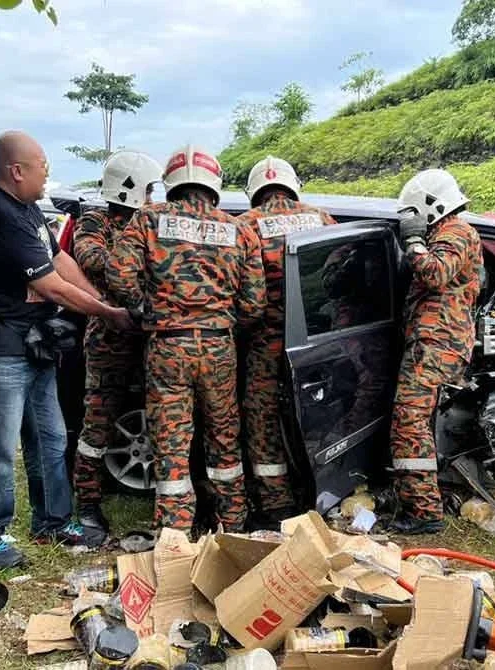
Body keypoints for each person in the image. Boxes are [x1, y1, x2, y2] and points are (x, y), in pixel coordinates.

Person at [0, 130, 135, 568]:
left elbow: (60, 261)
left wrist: (103, 300)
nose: (47, 173)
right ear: (16, 171)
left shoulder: (26, 208)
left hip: (30, 343)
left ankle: (52, 521)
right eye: (41, 165)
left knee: (50, 437)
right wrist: (106, 314)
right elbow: (48, 284)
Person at [109, 144, 266, 534]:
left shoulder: (148, 219)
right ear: (215, 184)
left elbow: (118, 275)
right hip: (219, 348)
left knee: (172, 446)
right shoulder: (240, 230)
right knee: (224, 440)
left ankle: (175, 537)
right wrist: (223, 324)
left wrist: (147, 309)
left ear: (170, 183)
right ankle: (233, 526)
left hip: (167, 346)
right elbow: (255, 303)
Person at [237, 156, 337, 524]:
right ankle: (325, 492)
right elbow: (340, 277)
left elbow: (240, 290)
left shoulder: (246, 225)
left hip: (265, 341)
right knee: (321, 413)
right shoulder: (322, 219)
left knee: (262, 420)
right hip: (317, 341)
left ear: (255, 191)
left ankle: (275, 502)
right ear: (293, 185)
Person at [71, 150, 162, 536]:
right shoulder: (96, 219)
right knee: (98, 423)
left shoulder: (152, 221)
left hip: (151, 336)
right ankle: (88, 504)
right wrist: (136, 260)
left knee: (160, 417)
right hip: (110, 336)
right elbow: (89, 256)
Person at [388, 169, 482, 535]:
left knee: (409, 424)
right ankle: (417, 501)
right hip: (435, 344)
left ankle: (424, 512)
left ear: (430, 205)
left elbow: (435, 273)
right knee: (416, 423)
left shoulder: (455, 232)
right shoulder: (451, 233)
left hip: (437, 346)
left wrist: (412, 242)